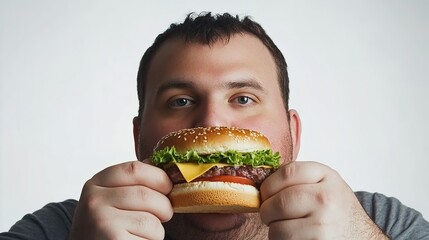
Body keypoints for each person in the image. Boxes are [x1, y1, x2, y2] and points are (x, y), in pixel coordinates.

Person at [1, 12, 428, 240]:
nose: (212, 120)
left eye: (243, 98)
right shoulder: (66, 228)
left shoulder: (377, 221)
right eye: (180, 101)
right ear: (139, 139)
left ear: (293, 135)